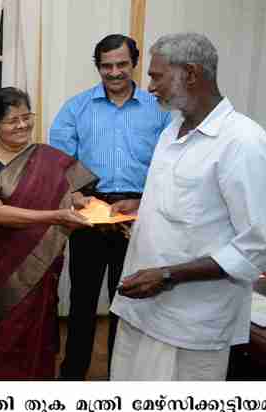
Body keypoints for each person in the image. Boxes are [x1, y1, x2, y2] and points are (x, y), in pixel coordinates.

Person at [111, 33, 266, 381]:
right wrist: (143, 206)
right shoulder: (173, 128)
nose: (149, 86)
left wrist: (168, 275)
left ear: (189, 73)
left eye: (157, 75)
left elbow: (262, 243)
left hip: (191, 324)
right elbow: (193, 204)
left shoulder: (243, 142)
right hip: (142, 311)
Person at [49, 34, 171, 380]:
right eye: (106, 66)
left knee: (131, 301)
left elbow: (171, 164)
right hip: (90, 211)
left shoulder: (159, 109)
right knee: (82, 302)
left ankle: (121, 378)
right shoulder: (77, 107)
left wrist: (144, 200)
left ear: (134, 64)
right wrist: (77, 196)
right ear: (98, 66)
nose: (114, 72)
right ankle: (73, 376)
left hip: (142, 213)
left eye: (121, 65)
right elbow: (60, 161)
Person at [0, 87, 95, 380]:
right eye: (12, 121)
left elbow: (75, 194)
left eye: (26, 117)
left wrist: (87, 205)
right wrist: (54, 216)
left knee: (35, 337)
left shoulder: (48, 158)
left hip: (40, 267)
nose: (22, 126)